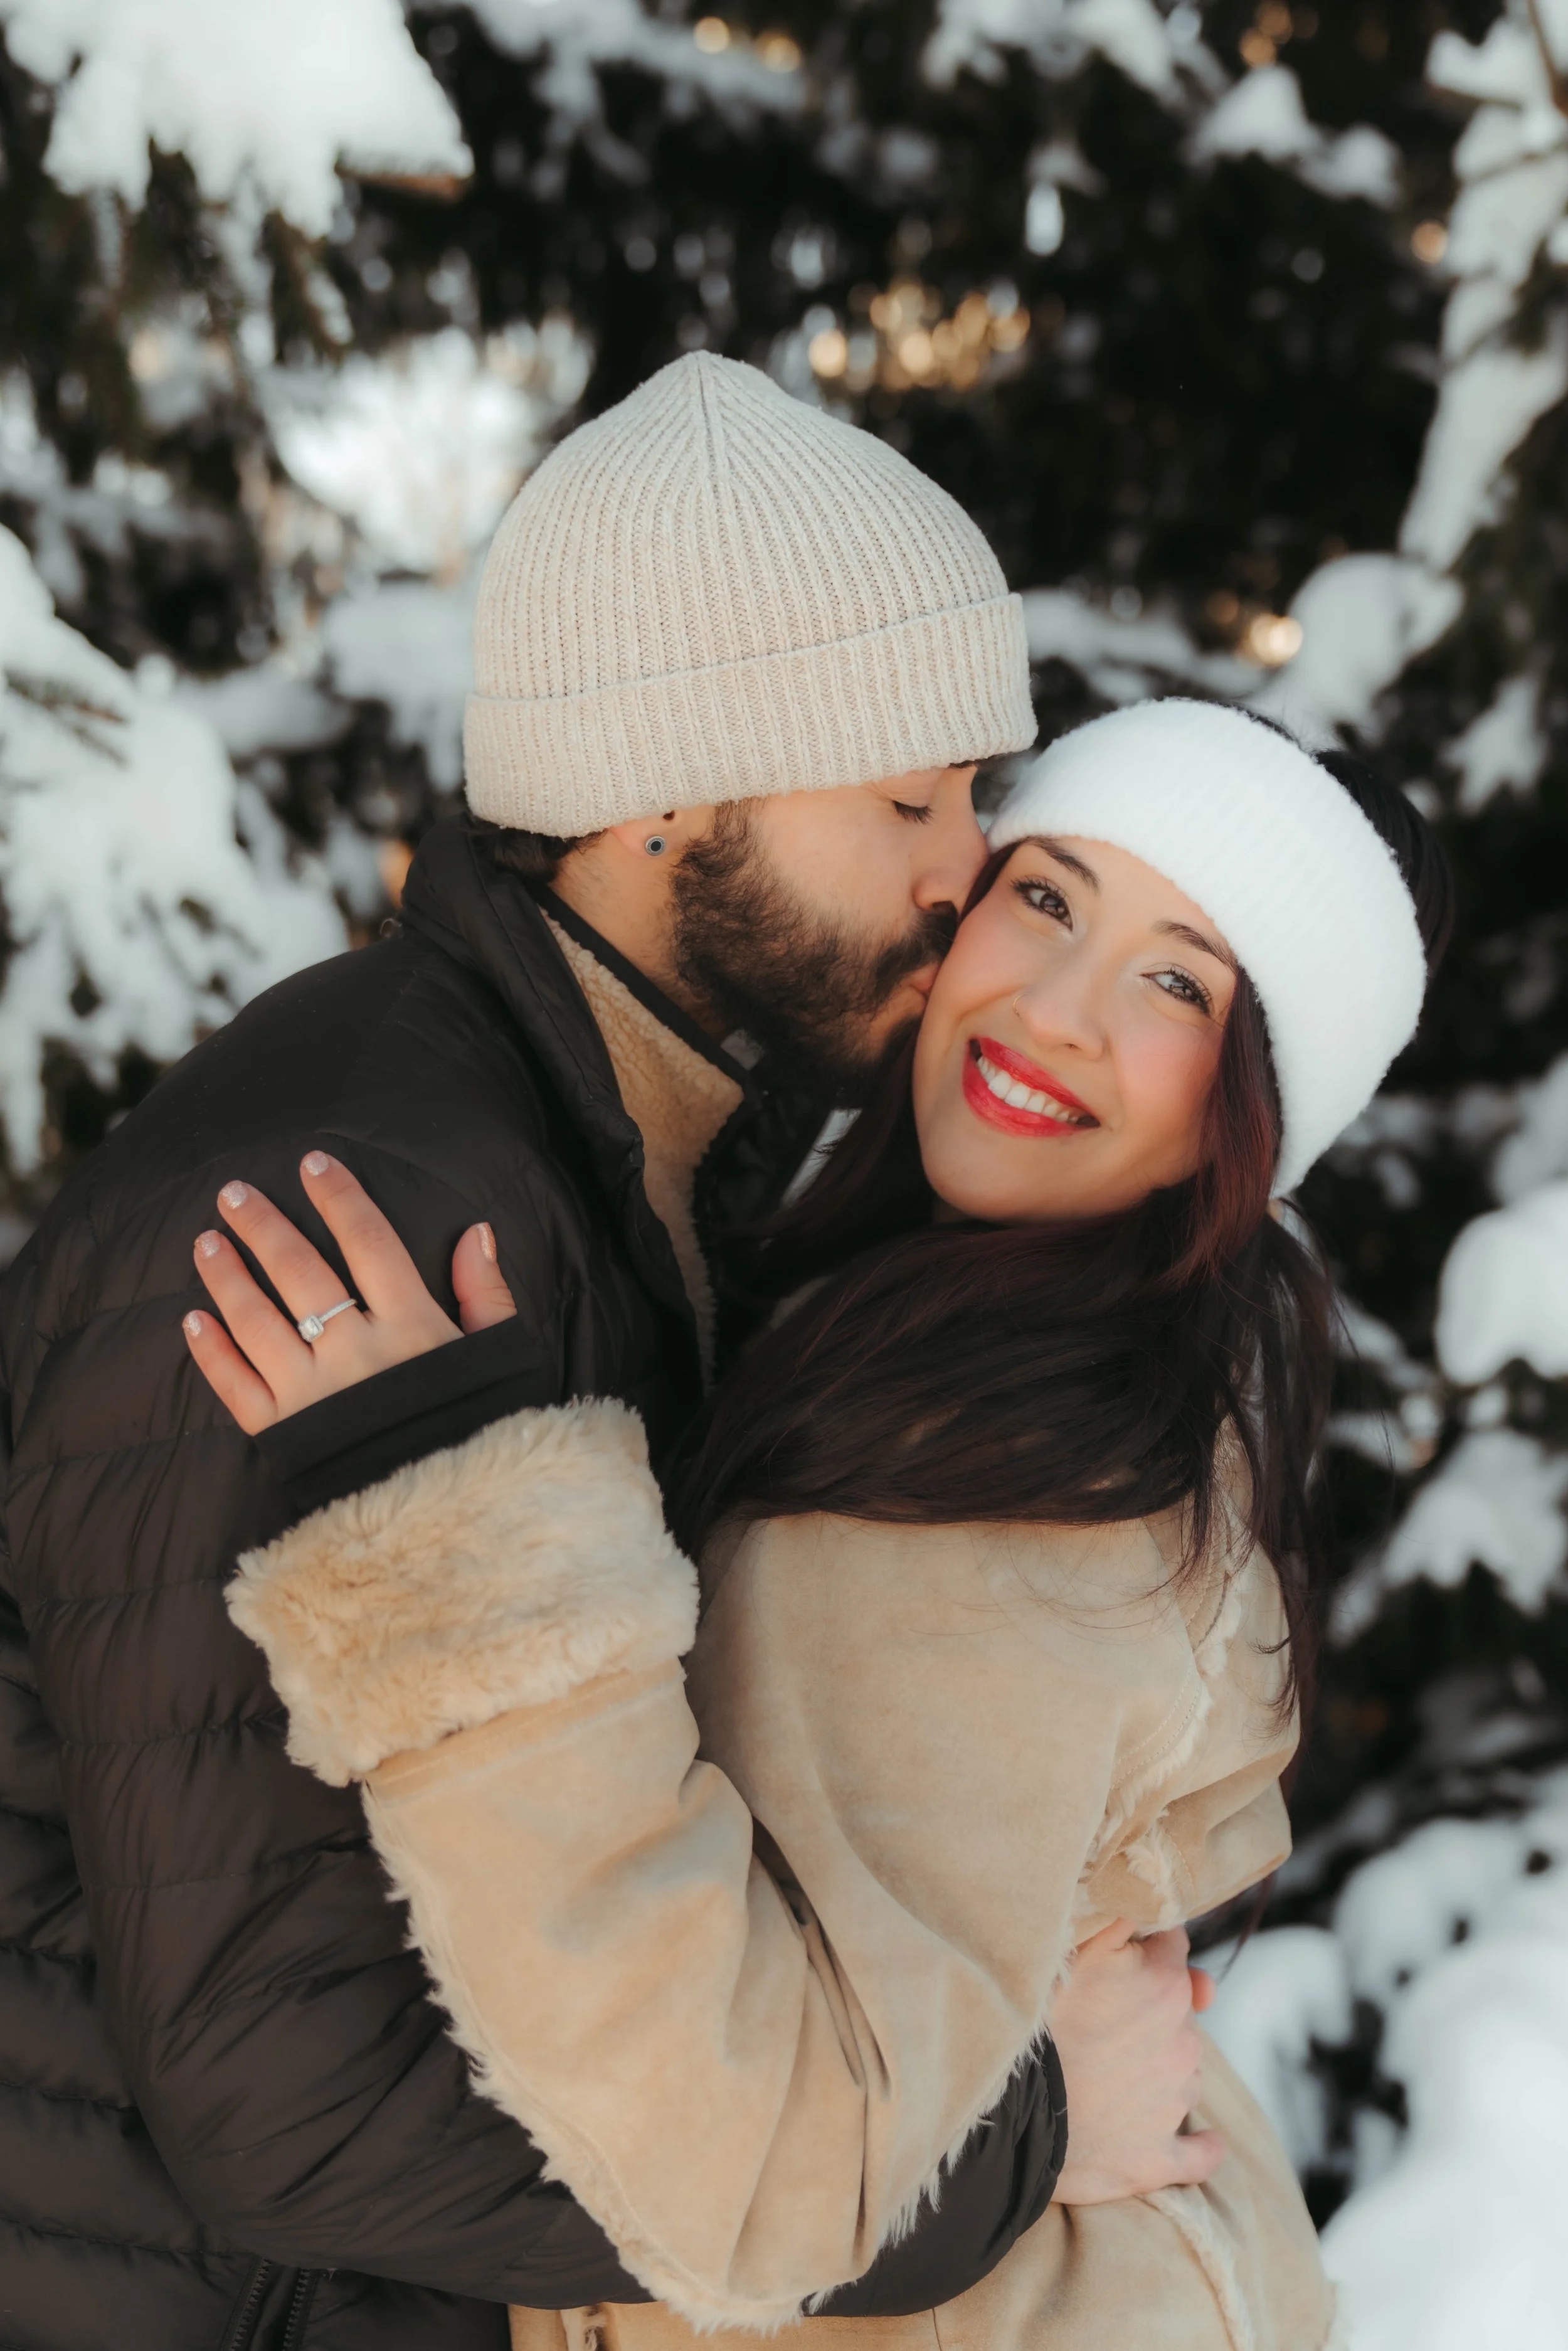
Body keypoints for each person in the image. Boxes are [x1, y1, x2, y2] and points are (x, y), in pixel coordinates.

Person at [0, 354, 1184, 2351]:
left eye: (978, 793)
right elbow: (293, 2111)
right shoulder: (351, 1196)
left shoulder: (642, 1170)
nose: (960, 867)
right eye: (908, 794)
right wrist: (1003, 2146)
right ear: (659, 796)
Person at [189, 699, 1453, 2351]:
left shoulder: (999, 1502)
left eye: (1174, 980)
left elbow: (769, 2171)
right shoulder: (969, 1343)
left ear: (1249, 1110)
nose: (1053, 1007)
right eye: (1048, 894)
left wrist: (458, 1559)